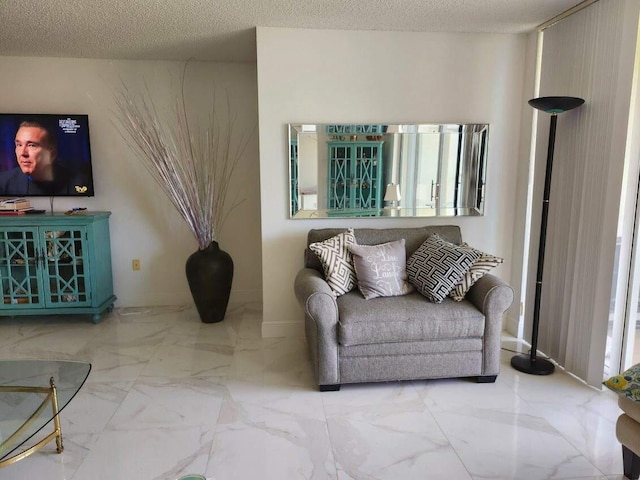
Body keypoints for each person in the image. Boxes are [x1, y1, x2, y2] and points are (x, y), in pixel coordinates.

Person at [0, 120, 89, 196]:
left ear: (52, 154)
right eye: (19, 145)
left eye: (32, 145)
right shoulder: (3, 182)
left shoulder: (80, 183)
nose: (23, 153)